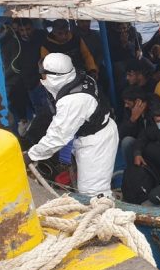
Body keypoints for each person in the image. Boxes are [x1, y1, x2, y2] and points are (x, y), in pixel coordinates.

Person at [24, 53, 118, 197]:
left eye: (43, 75)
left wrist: (32, 155)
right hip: (90, 131)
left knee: (92, 192)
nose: (41, 78)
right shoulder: (80, 77)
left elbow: (58, 137)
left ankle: (106, 216)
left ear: (54, 76)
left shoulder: (73, 101)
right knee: (88, 187)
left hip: (97, 141)